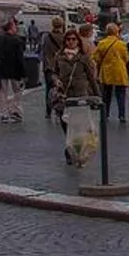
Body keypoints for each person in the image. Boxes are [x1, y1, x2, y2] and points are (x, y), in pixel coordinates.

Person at [47, 28, 99, 160]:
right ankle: (70, 147)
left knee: (79, 124)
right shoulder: (59, 57)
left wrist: (98, 95)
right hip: (64, 95)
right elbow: (53, 72)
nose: (71, 42)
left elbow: (91, 78)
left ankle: (75, 149)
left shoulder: (83, 58)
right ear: (65, 41)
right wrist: (55, 80)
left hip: (80, 94)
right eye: (68, 39)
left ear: (78, 41)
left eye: (73, 39)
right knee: (66, 123)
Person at [0, 21, 27, 123]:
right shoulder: (17, 41)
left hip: (1, 69)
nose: (16, 28)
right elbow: (20, 58)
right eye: (15, 26)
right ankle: (15, 110)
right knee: (18, 91)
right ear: (11, 28)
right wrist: (24, 73)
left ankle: (4, 114)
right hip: (15, 70)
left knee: (2, 92)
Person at [94, 23, 129, 125]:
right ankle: (122, 115)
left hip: (107, 71)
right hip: (119, 71)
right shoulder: (121, 44)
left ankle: (105, 114)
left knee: (106, 94)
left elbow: (96, 58)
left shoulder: (102, 43)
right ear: (116, 32)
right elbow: (126, 58)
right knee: (121, 94)